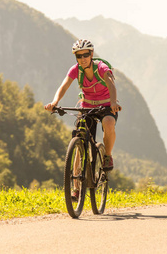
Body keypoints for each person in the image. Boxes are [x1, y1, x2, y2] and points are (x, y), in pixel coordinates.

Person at [44, 39, 121, 173]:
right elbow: (64, 86)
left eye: (85, 55)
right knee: (80, 138)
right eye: (79, 56)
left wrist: (113, 102)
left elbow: (110, 84)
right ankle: (76, 188)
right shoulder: (75, 70)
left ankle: (107, 156)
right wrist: (54, 103)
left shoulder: (101, 67)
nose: (83, 58)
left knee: (108, 122)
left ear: (91, 54)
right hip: (87, 107)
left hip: (106, 106)